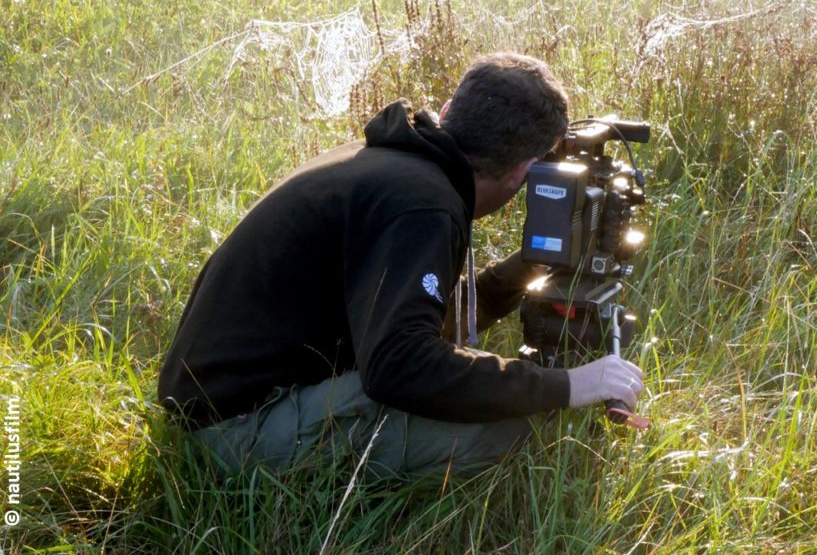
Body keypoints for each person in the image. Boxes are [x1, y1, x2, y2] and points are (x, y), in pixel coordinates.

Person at [157, 52, 644, 478]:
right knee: (508, 427)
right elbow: (399, 365)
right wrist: (565, 386)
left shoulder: (393, 162)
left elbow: (413, 318)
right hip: (233, 435)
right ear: (523, 172)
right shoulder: (421, 205)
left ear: (452, 111)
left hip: (219, 403)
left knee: (489, 393)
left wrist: (520, 273)